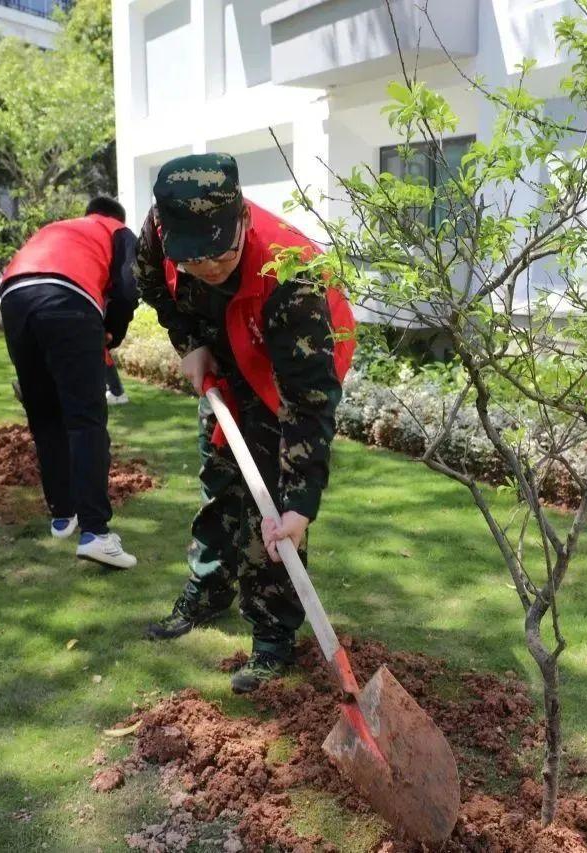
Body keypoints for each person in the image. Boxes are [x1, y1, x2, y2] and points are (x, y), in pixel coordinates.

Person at [134, 153, 355, 693]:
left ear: (241, 221)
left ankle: (273, 634)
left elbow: (307, 402)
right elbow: (153, 287)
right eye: (195, 261)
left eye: (221, 254)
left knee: (274, 511)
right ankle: (209, 590)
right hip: (226, 358)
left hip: (286, 368)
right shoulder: (160, 235)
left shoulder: (294, 274)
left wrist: (300, 505)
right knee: (222, 482)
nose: (208, 268)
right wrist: (190, 345)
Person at [0, 196, 139, 569]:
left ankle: (63, 514)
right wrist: (113, 331)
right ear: (115, 218)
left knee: (44, 415)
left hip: (14, 297)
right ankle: (96, 533)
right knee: (86, 420)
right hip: (68, 298)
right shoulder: (117, 230)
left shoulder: (58, 228)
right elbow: (128, 288)